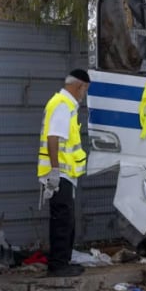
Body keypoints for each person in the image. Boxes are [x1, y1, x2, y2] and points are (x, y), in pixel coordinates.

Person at [37, 69, 91, 277]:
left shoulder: (63, 104)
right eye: (85, 90)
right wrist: (55, 171)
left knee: (66, 219)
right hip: (59, 174)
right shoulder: (62, 105)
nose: (84, 94)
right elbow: (53, 138)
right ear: (79, 86)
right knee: (62, 219)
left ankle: (63, 261)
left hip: (64, 174)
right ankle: (58, 265)